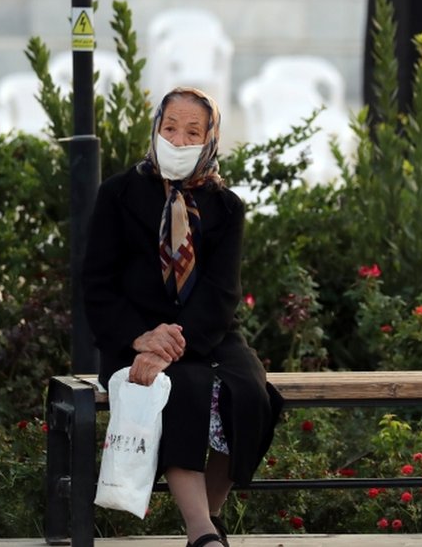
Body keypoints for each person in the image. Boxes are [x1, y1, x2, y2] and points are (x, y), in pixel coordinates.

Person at [82, 86, 283, 547]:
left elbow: (222, 292)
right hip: (132, 334)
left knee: (252, 394)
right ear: (155, 128)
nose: (178, 139)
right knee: (185, 388)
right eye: (170, 127)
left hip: (206, 332)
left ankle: (208, 516)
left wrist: (175, 342)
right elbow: (96, 282)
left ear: (210, 139)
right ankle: (202, 533)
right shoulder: (118, 193)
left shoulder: (226, 206)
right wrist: (141, 338)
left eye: (193, 132)